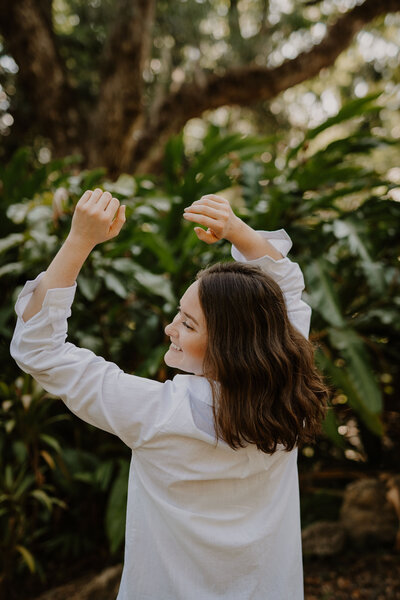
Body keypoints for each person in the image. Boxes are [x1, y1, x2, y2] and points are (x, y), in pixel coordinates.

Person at [11, 189, 327, 600]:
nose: (170, 329)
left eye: (188, 325)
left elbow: (39, 349)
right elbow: (285, 289)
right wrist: (237, 230)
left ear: (228, 346)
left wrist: (79, 240)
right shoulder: (290, 400)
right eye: (179, 313)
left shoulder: (156, 415)